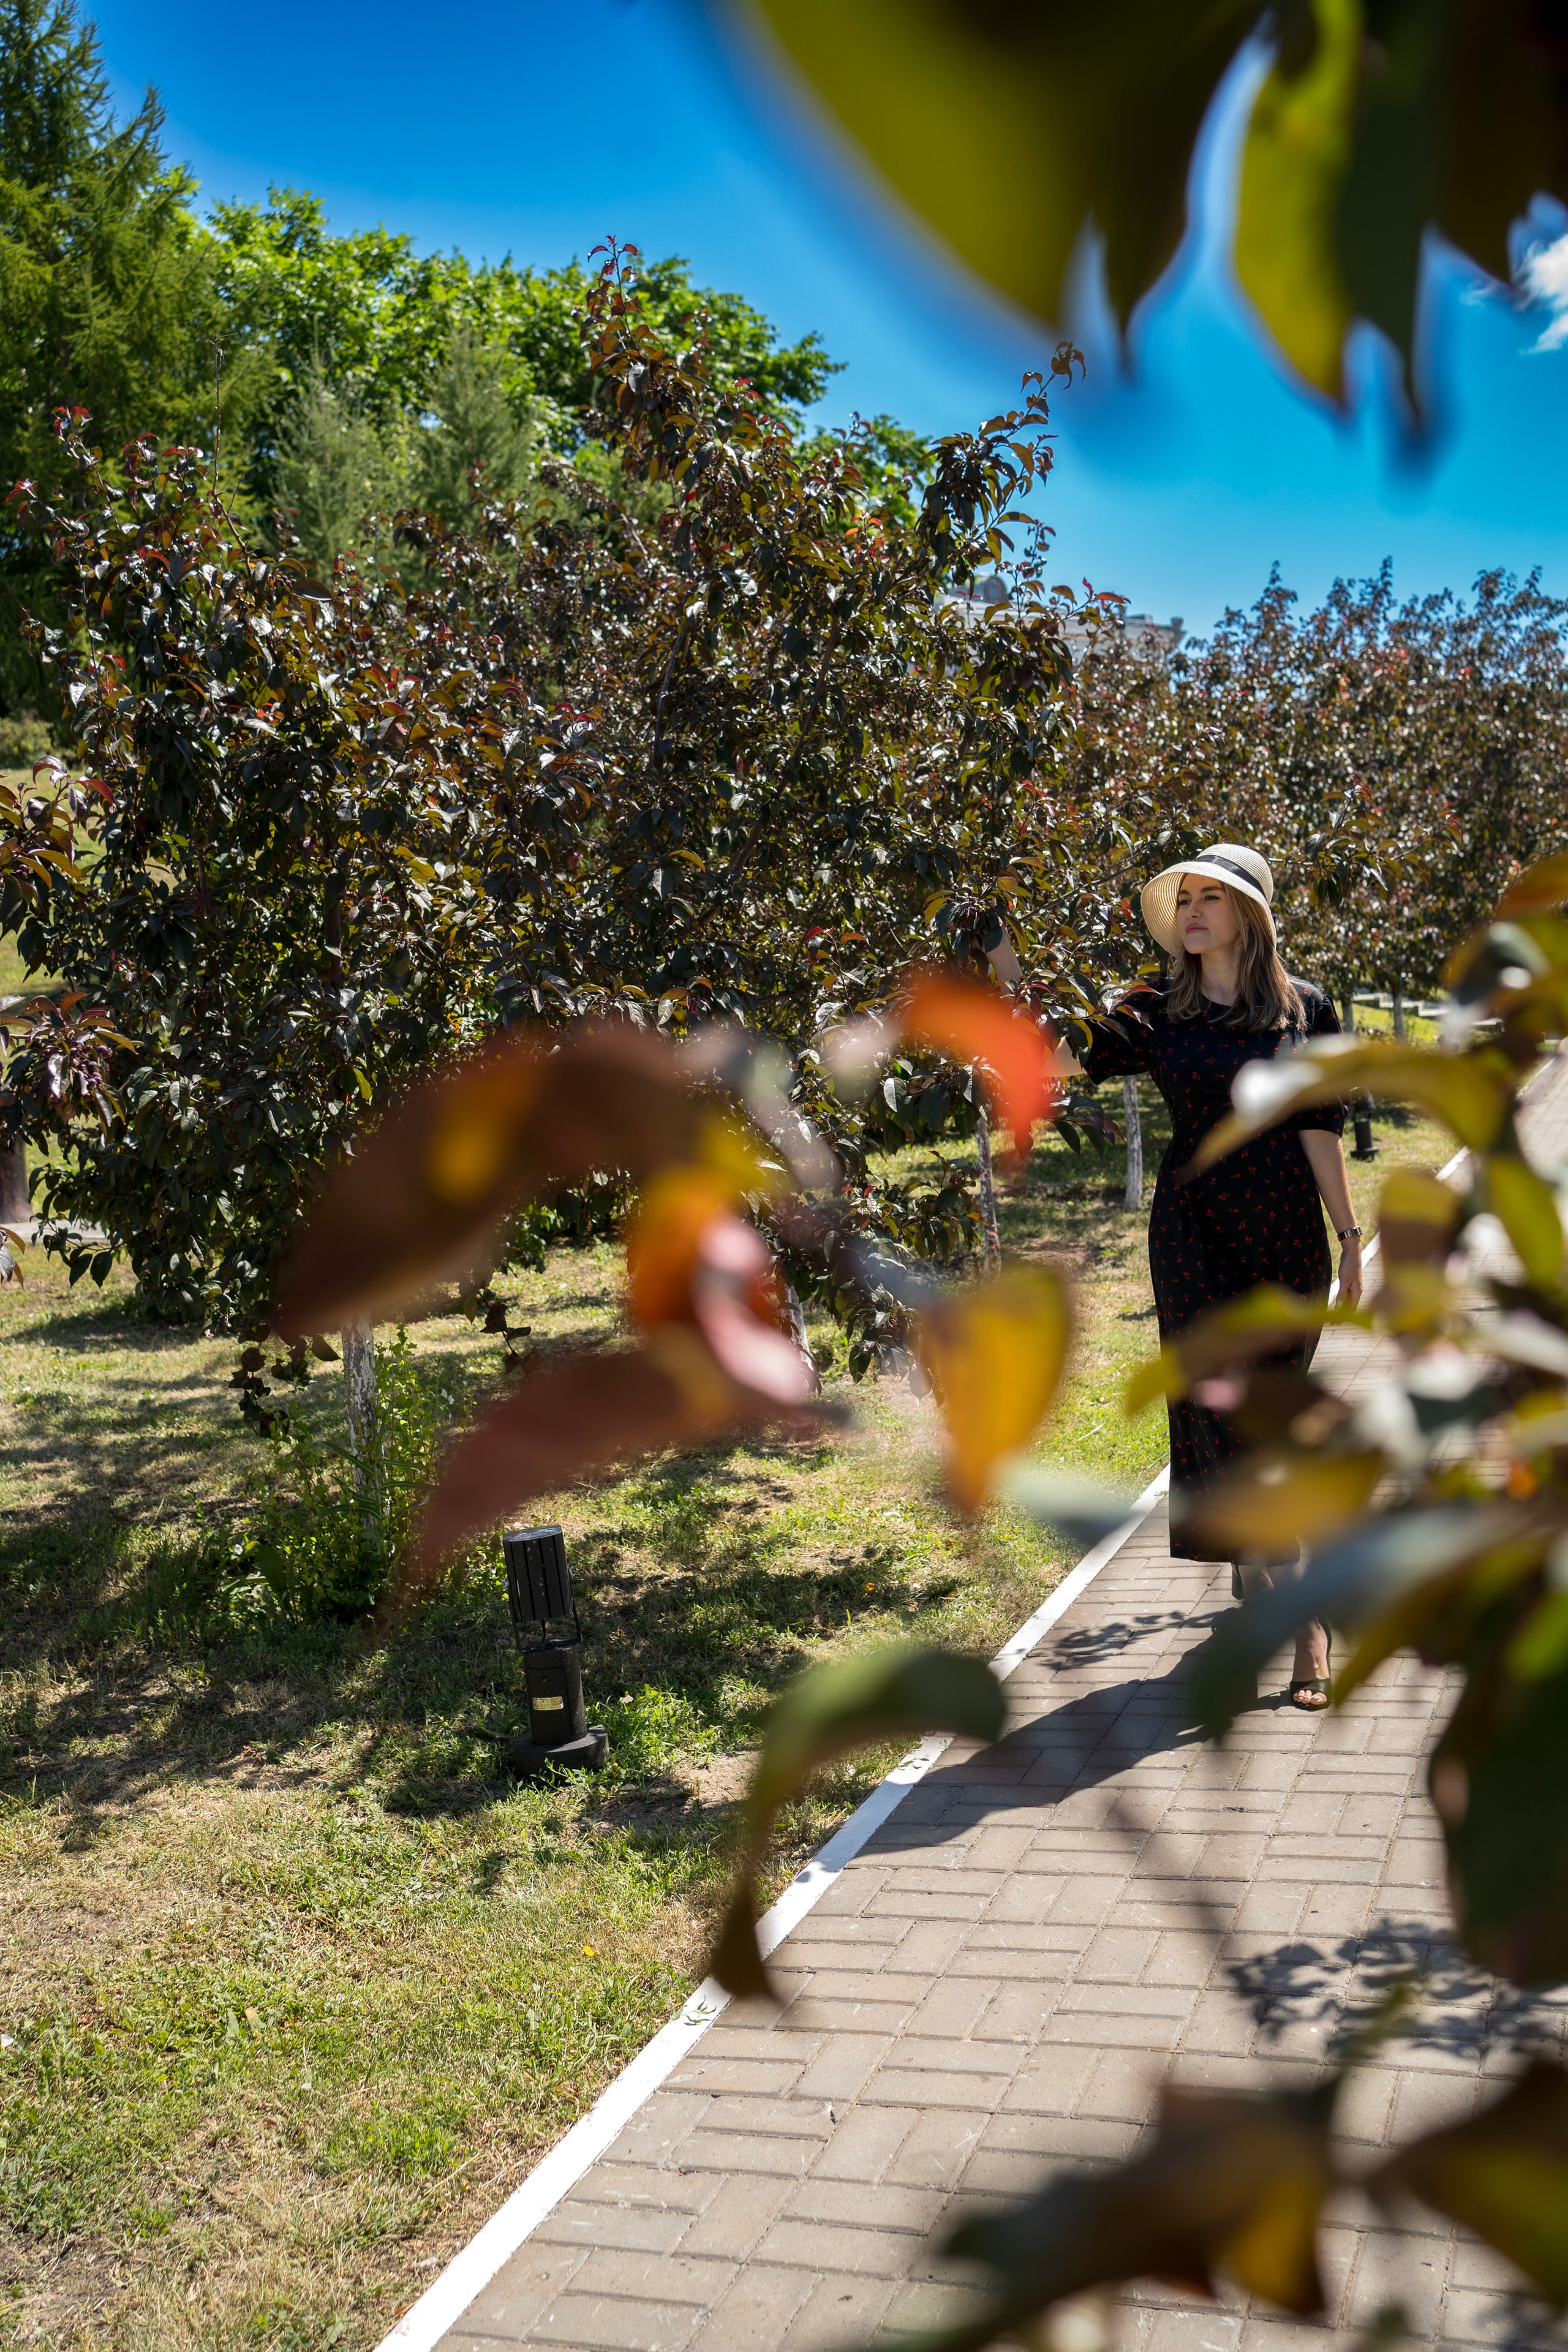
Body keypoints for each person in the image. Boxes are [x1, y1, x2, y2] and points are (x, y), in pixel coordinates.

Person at [1062, 842, 1362, 1709]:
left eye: (1210, 899)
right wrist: (1008, 978)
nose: (1191, 913)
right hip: (1193, 1238)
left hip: (1284, 1242)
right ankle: (1306, 1624)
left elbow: (1320, 1125)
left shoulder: (1307, 1010)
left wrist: (1349, 1238)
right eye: (1183, 899)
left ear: (1250, 915)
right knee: (1214, 1414)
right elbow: (1059, 1055)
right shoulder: (1154, 1009)